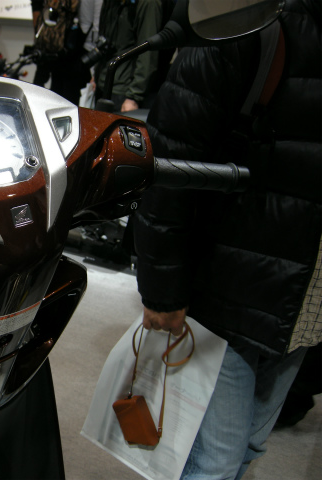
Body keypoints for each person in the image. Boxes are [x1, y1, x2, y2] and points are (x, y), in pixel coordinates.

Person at [132, 0, 321, 477]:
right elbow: (169, 158)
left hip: (308, 305)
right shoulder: (251, 15)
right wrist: (162, 290)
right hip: (231, 290)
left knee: (250, 447)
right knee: (214, 461)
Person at [93, 0, 163, 112]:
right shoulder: (112, 3)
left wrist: (133, 97)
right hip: (104, 82)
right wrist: (96, 74)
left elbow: (148, 55)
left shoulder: (148, 3)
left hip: (124, 90)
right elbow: (104, 39)